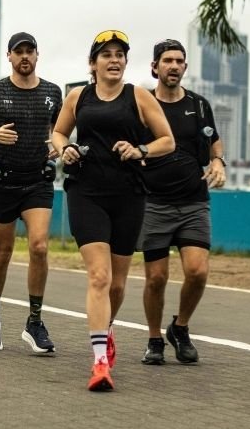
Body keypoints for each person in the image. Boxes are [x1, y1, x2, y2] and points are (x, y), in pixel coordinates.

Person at [51, 30, 174, 391]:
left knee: (118, 284)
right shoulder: (78, 97)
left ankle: (105, 330)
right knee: (99, 277)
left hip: (128, 194)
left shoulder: (138, 96)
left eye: (120, 54)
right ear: (93, 64)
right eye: (106, 54)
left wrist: (141, 151)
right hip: (86, 192)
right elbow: (58, 133)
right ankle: (100, 361)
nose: (115, 60)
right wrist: (64, 149)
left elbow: (167, 140)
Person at [0, 31, 63, 354]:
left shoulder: (52, 92)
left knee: (39, 246)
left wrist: (57, 146)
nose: (25, 57)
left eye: (30, 51)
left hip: (38, 181)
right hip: (3, 182)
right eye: (18, 51)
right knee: (3, 253)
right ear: (9, 56)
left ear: (37, 56)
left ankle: (34, 322)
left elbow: (61, 129)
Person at [137, 39, 226, 366]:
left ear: (185, 67)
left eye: (179, 61)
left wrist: (218, 162)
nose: (173, 66)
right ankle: (154, 339)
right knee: (156, 278)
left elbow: (214, 141)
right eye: (167, 61)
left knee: (198, 271)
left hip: (193, 203)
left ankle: (180, 327)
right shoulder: (142, 105)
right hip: (154, 203)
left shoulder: (199, 105)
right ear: (155, 67)